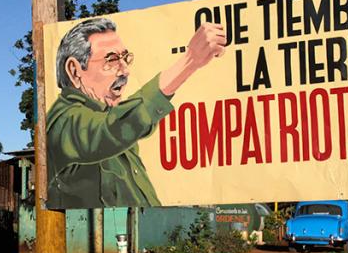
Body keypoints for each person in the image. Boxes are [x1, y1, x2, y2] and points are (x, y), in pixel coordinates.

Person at [47, 17, 226, 208]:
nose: (125, 70)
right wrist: (189, 61)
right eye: (112, 60)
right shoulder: (64, 120)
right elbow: (114, 128)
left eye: (125, 58)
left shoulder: (110, 121)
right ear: (75, 71)